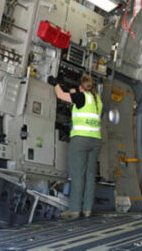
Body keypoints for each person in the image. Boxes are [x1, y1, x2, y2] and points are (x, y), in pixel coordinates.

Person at [51, 75, 103, 219]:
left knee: (78, 174)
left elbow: (60, 95)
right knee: (90, 175)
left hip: (80, 140)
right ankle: (87, 209)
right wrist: (75, 94)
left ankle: (74, 210)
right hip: (96, 141)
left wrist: (55, 83)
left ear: (81, 87)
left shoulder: (80, 97)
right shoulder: (98, 100)